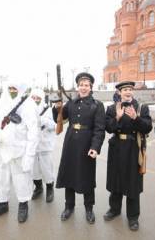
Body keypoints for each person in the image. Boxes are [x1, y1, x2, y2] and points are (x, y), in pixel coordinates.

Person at [52, 72, 105, 224]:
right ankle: (69, 206)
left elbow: (99, 129)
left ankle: (89, 208)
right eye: (81, 85)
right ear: (78, 87)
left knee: (87, 177)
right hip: (70, 144)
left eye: (86, 85)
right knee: (69, 175)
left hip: (86, 145)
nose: (83, 88)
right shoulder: (72, 103)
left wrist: (95, 147)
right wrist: (58, 108)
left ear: (91, 87)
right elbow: (60, 118)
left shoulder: (97, 105)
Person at [103, 81, 152, 231]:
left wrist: (136, 119)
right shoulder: (112, 108)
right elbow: (108, 128)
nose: (128, 91)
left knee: (133, 184)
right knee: (115, 180)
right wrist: (117, 118)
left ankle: (133, 217)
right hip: (117, 147)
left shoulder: (141, 107)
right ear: (119, 92)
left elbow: (148, 127)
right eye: (125, 89)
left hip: (133, 148)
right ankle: (115, 210)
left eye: (130, 89)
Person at [0, 83, 39, 223]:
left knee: (21, 180)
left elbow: (33, 133)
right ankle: (1, 204)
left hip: (20, 151)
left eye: (14, 88)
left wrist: (29, 156)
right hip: (3, 150)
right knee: (1, 178)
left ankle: (23, 205)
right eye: (9, 88)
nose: (11, 91)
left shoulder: (29, 105)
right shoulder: (3, 103)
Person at [30, 89, 56, 203]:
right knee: (34, 169)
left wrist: (43, 121)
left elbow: (54, 126)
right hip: (32, 145)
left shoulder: (48, 109)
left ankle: (50, 188)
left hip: (45, 144)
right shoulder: (27, 110)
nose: (35, 100)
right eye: (33, 98)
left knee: (46, 168)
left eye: (38, 98)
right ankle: (38, 187)